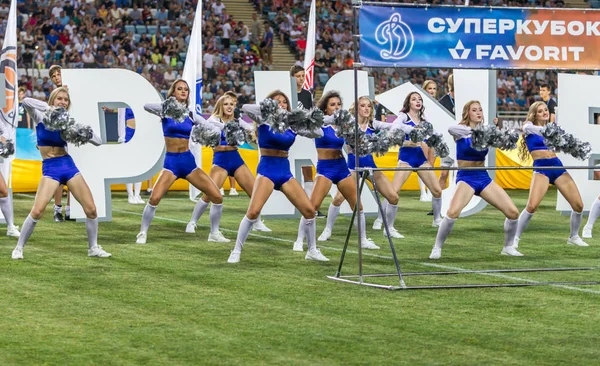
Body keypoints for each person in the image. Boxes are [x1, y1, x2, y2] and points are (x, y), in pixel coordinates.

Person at [227, 90, 329, 263]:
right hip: (267, 170)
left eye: (283, 102)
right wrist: (270, 108)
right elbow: (245, 107)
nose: (281, 104)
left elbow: (319, 133)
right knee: (253, 211)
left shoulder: (291, 124)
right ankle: (236, 250)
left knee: (309, 211)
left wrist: (299, 117)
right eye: (277, 101)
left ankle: (312, 250)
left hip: (284, 172)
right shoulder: (263, 119)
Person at [14, 88, 111, 259]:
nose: (63, 102)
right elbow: (27, 101)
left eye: (66, 100)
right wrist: (49, 109)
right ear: (52, 100)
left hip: (68, 165)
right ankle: (19, 248)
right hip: (50, 168)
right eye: (59, 98)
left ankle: (93, 248)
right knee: (37, 211)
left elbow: (98, 141)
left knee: (91, 209)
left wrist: (85, 132)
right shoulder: (41, 117)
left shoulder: (68, 123)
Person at [136, 79, 227, 244]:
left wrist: (223, 129)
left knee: (217, 196)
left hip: (188, 163)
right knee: (154, 198)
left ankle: (214, 233)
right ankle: (142, 232)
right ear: (173, 92)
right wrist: (169, 107)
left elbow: (209, 126)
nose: (183, 92)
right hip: (171, 163)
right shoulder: (165, 111)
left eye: (186, 89)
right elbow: (147, 106)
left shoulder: (191, 114)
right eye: (179, 89)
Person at [429, 100, 521, 259]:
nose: (478, 112)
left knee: (513, 212)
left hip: (483, 177)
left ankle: (508, 247)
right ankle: (437, 247)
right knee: (452, 212)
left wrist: (498, 131)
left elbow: (503, 140)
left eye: (480, 110)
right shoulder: (461, 131)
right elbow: (450, 129)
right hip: (466, 178)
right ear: (468, 113)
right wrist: (480, 133)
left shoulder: (486, 133)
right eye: (474, 110)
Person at [306, 96, 401, 250]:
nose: (366, 109)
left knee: (393, 197)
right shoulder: (348, 123)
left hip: (370, 165)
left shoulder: (373, 124)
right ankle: (327, 229)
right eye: (362, 106)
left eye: (368, 106)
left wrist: (403, 126)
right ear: (356, 108)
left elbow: (390, 126)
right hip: (352, 167)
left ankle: (389, 228)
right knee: (338, 199)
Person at [295, 92, 380, 251]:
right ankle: (299, 240)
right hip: (325, 169)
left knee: (358, 206)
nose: (336, 108)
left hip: (341, 167)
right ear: (325, 108)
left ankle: (363, 240)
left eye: (338, 105)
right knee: (312, 207)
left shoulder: (345, 125)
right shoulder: (319, 125)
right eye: (332, 105)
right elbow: (303, 130)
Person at [186, 92, 271, 234]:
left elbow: (251, 130)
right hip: (220, 161)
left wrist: (256, 133)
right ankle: (192, 222)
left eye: (231, 104)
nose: (229, 106)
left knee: (254, 191)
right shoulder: (213, 121)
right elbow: (214, 147)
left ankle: (257, 222)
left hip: (236, 160)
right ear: (220, 106)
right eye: (226, 104)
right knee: (209, 194)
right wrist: (231, 146)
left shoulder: (237, 120)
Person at [513, 101, 588, 248]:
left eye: (546, 110)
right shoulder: (528, 127)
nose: (544, 113)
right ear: (534, 114)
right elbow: (538, 130)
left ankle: (574, 236)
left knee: (578, 205)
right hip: (541, 168)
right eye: (540, 111)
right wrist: (554, 132)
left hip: (557, 166)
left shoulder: (551, 129)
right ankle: (514, 237)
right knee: (532, 206)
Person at [391, 92, 443, 230]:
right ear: (408, 103)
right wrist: (408, 141)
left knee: (437, 191)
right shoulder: (403, 117)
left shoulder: (425, 121)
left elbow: (432, 137)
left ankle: (437, 219)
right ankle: (384, 222)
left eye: (419, 99)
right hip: (406, 158)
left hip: (420, 158)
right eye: (414, 99)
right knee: (393, 193)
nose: (417, 101)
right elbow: (394, 129)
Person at [290, 65, 324, 218]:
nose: (301, 79)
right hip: (290, 136)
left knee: (307, 169)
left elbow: (311, 114)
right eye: (298, 76)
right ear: (292, 77)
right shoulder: (288, 93)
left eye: (303, 76)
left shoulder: (307, 95)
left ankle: (311, 205)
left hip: (305, 135)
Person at [48, 65, 69, 222]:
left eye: (58, 74)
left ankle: (70, 210)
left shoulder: (73, 91)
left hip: (72, 136)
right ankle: (57, 209)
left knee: (74, 173)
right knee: (59, 176)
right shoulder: (53, 97)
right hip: (58, 138)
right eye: (53, 76)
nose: (56, 77)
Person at [122, 108, 144, 204]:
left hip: (140, 133)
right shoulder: (126, 102)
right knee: (129, 166)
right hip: (129, 133)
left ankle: (137, 194)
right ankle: (130, 195)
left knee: (140, 165)